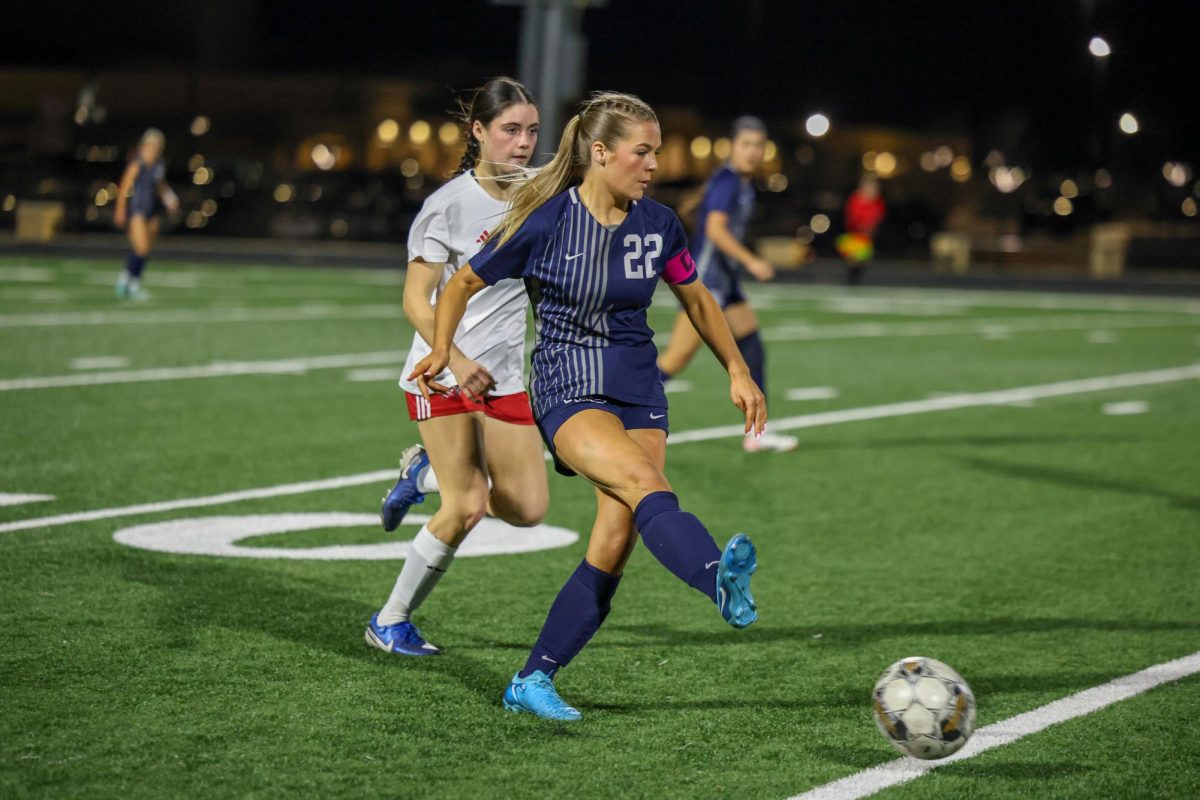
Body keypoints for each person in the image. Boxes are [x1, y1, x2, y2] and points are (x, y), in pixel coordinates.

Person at [409, 92, 766, 721]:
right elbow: (462, 282)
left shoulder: (658, 223)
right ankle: (716, 575)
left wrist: (738, 369)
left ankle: (532, 678)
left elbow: (698, 299)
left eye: (655, 151)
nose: (653, 164)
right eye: (642, 151)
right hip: (568, 387)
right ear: (600, 153)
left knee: (616, 534)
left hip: (639, 388)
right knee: (642, 480)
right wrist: (443, 349)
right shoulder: (544, 220)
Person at [367, 78, 547, 657]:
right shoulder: (447, 204)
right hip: (441, 371)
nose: (522, 143)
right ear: (479, 132)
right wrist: (456, 356)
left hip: (504, 378)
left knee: (527, 508)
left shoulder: (542, 195)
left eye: (531, 132)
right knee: (466, 503)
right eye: (510, 130)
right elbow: (415, 300)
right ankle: (389, 621)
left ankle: (421, 473)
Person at [656, 116, 797, 453]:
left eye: (758, 146)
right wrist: (751, 260)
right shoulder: (729, 182)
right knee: (674, 361)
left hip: (725, 282)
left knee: (752, 348)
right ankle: (617, 411)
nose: (752, 152)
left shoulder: (741, 184)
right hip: (705, 284)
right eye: (746, 144)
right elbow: (717, 230)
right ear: (733, 147)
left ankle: (758, 433)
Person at [113, 128, 179, 300]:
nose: (153, 151)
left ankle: (133, 282)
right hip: (138, 210)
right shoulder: (137, 165)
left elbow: (160, 186)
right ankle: (126, 279)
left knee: (145, 249)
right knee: (140, 247)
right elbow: (124, 187)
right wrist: (120, 210)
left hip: (152, 210)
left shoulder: (159, 165)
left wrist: (169, 198)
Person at [838, 175, 886, 285]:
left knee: (864, 259)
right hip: (854, 235)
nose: (872, 191)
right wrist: (861, 227)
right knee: (853, 259)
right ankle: (852, 278)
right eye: (869, 187)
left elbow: (879, 217)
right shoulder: (855, 200)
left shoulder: (878, 202)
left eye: (875, 188)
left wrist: (871, 228)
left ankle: (861, 278)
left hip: (870, 236)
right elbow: (851, 218)